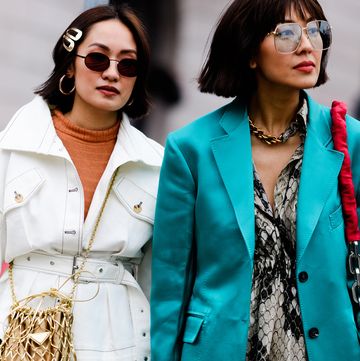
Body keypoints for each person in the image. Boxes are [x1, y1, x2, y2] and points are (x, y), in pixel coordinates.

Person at [151, 0, 360, 360]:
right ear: (250, 52)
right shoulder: (191, 150)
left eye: (316, 31)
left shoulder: (349, 141)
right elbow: (171, 281)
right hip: (219, 348)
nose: (307, 45)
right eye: (287, 34)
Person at [0, 4, 162, 360]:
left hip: (119, 342)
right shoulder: (11, 148)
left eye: (128, 64)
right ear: (70, 64)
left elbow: (156, 279)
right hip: (18, 337)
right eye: (98, 60)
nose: (112, 74)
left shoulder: (157, 166)